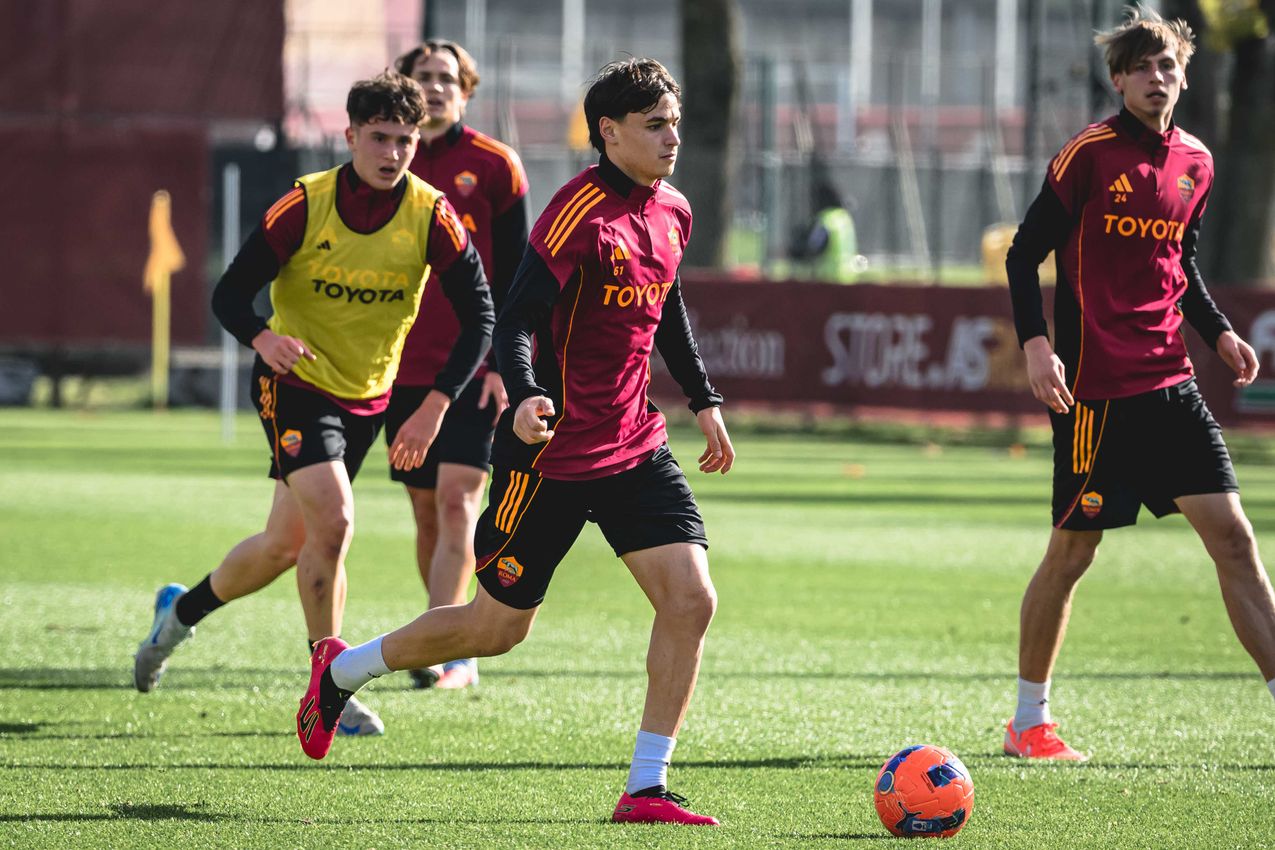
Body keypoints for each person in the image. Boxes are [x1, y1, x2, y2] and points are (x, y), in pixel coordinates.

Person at [294, 58, 735, 826]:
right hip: (551, 457)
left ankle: (645, 787)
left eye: (674, 121)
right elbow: (518, 318)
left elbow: (667, 307)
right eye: (654, 124)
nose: (672, 137)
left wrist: (703, 402)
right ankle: (341, 673)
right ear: (608, 132)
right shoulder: (576, 213)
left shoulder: (674, 211)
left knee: (691, 599)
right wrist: (528, 394)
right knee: (493, 629)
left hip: (634, 448)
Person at [132, 71, 495, 739]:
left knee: (282, 546)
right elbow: (229, 295)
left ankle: (177, 614)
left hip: (367, 397)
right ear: (350, 135)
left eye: (406, 141)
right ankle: (330, 686)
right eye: (379, 138)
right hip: (294, 384)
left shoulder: (431, 214)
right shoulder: (305, 205)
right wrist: (262, 336)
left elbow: (480, 317)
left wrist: (435, 404)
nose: (392, 154)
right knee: (333, 523)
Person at [1003, 5, 1275, 761]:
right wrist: (1035, 347)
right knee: (1071, 555)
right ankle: (1028, 721)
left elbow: (1178, 265)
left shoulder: (1196, 162)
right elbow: (1024, 255)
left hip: (1172, 387)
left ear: (1183, 77)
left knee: (1234, 537)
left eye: (1169, 67)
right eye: (1143, 67)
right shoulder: (1086, 155)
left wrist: (1217, 332)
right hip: (1093, 395)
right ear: (1118, 78)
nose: (1158, 78)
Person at [387, 39, 530, 691]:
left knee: (455, 503)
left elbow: (520, 275)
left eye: (448, 78)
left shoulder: (495, 165)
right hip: (398, 367)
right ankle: (442, 637)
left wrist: (507, 362)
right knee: (423, 509)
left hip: (477, 368)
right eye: (425, 77)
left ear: (466, 91)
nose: (437, 87)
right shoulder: (386, 163)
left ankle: (449, 653)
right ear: (407, 88)